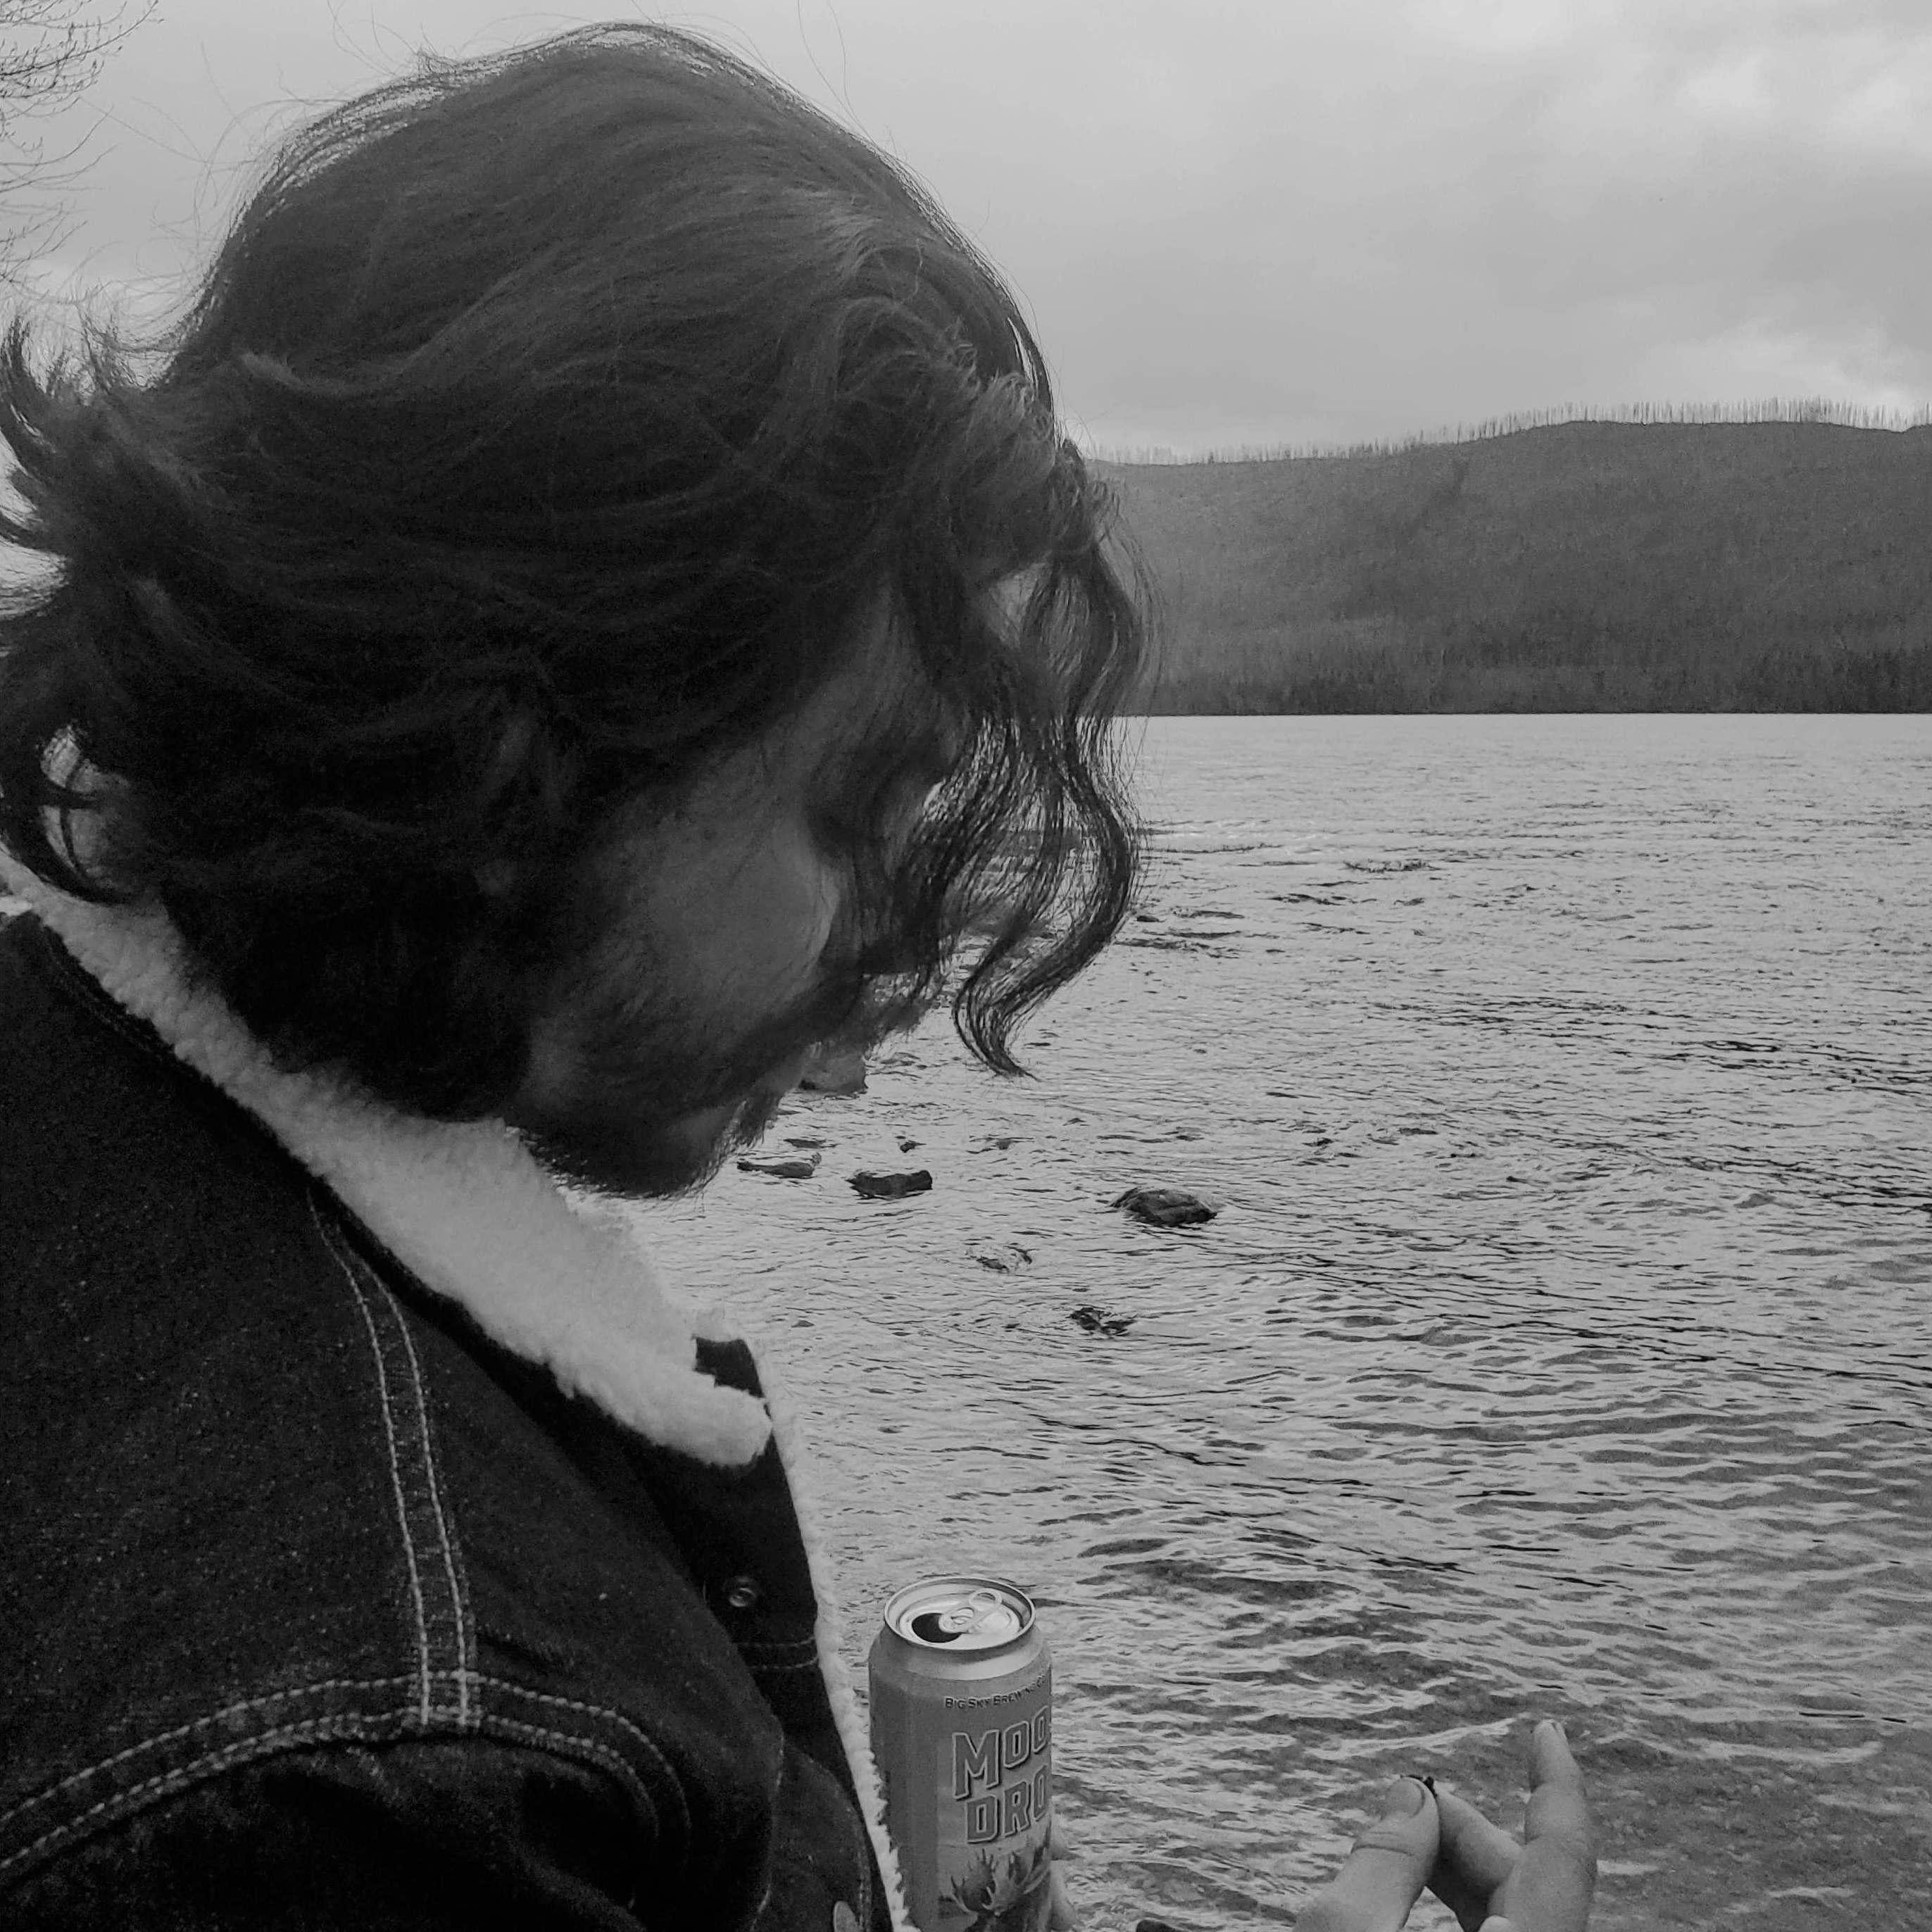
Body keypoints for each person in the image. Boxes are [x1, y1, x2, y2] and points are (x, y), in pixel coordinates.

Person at [0, 24, 1594, 1931]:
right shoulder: (384, 1797)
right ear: (510, 746)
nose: (897, 968)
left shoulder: (88, 1113)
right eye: (861, 806)